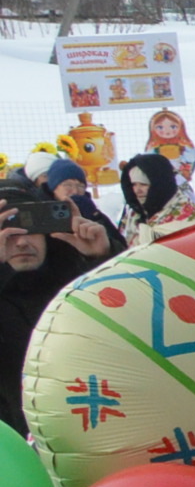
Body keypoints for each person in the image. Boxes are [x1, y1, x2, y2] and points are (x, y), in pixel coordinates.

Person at [1, 178, 101, 434]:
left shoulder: (77, 286)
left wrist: (101, 259)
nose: (22, 242)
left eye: (31, 227)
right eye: (8, 232)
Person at [116, 149, 195, 244]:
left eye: (144, 184)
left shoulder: (187, 215)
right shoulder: (135, 214)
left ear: (160, 185)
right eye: (133, 185)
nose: (137, 190)